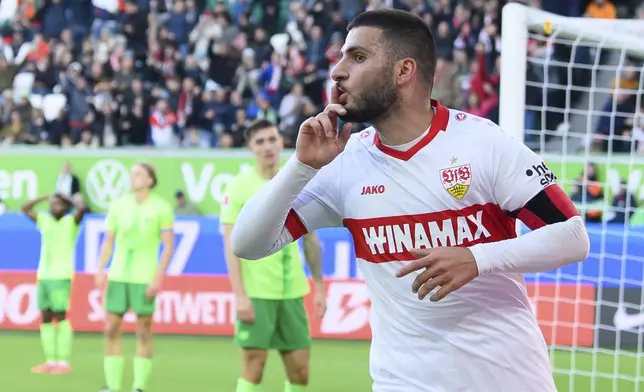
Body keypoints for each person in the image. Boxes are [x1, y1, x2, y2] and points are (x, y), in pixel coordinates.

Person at [230, 9, 590, 392]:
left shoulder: (483, 144)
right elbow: (248, 244)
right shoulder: (344, 164)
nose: (337, 71)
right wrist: (301, 166)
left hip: (508, 381)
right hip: (401, 383)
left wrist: (477, 258)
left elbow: (572, 236)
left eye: (357, 57)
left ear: (403, 71)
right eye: (340, 57)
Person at [221, 119, 326, 392]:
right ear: (249, 147)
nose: (267, 147)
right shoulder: (239, 187)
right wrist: (240, 295)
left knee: (301, 372)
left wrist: (319, 287)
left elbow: (311, 239)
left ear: (282, 142)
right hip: (257, 293)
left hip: (292, 291)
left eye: (272, 139)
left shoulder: (296, 183)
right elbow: (230, 246)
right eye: (260, 142)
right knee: (253, 369)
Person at [95, 163, 175, 392]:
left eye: (139, 174)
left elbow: (168, 247)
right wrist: (100, 268)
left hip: (144, 277)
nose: (134, 178)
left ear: (150, 179)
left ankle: (139, 386)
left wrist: (157, 278)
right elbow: (108, 240)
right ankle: (111, 385)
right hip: (118, 275)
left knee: (144, 331)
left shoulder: (162, 207)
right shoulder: (118, 205)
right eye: (132, 174)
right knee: (111, 328)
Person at [21, 193, 88, 374]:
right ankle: (50, 360)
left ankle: (64, 362)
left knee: (61, 316)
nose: (55, 207)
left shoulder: (71, 222)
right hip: (44, 275)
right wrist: (43, 196)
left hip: (61, 275)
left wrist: (68, 197)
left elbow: (82, 208)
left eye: (59, 204)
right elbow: (24, 208)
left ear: (66, 207)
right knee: (45, 317)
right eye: (53, 204)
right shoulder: (44, 220)